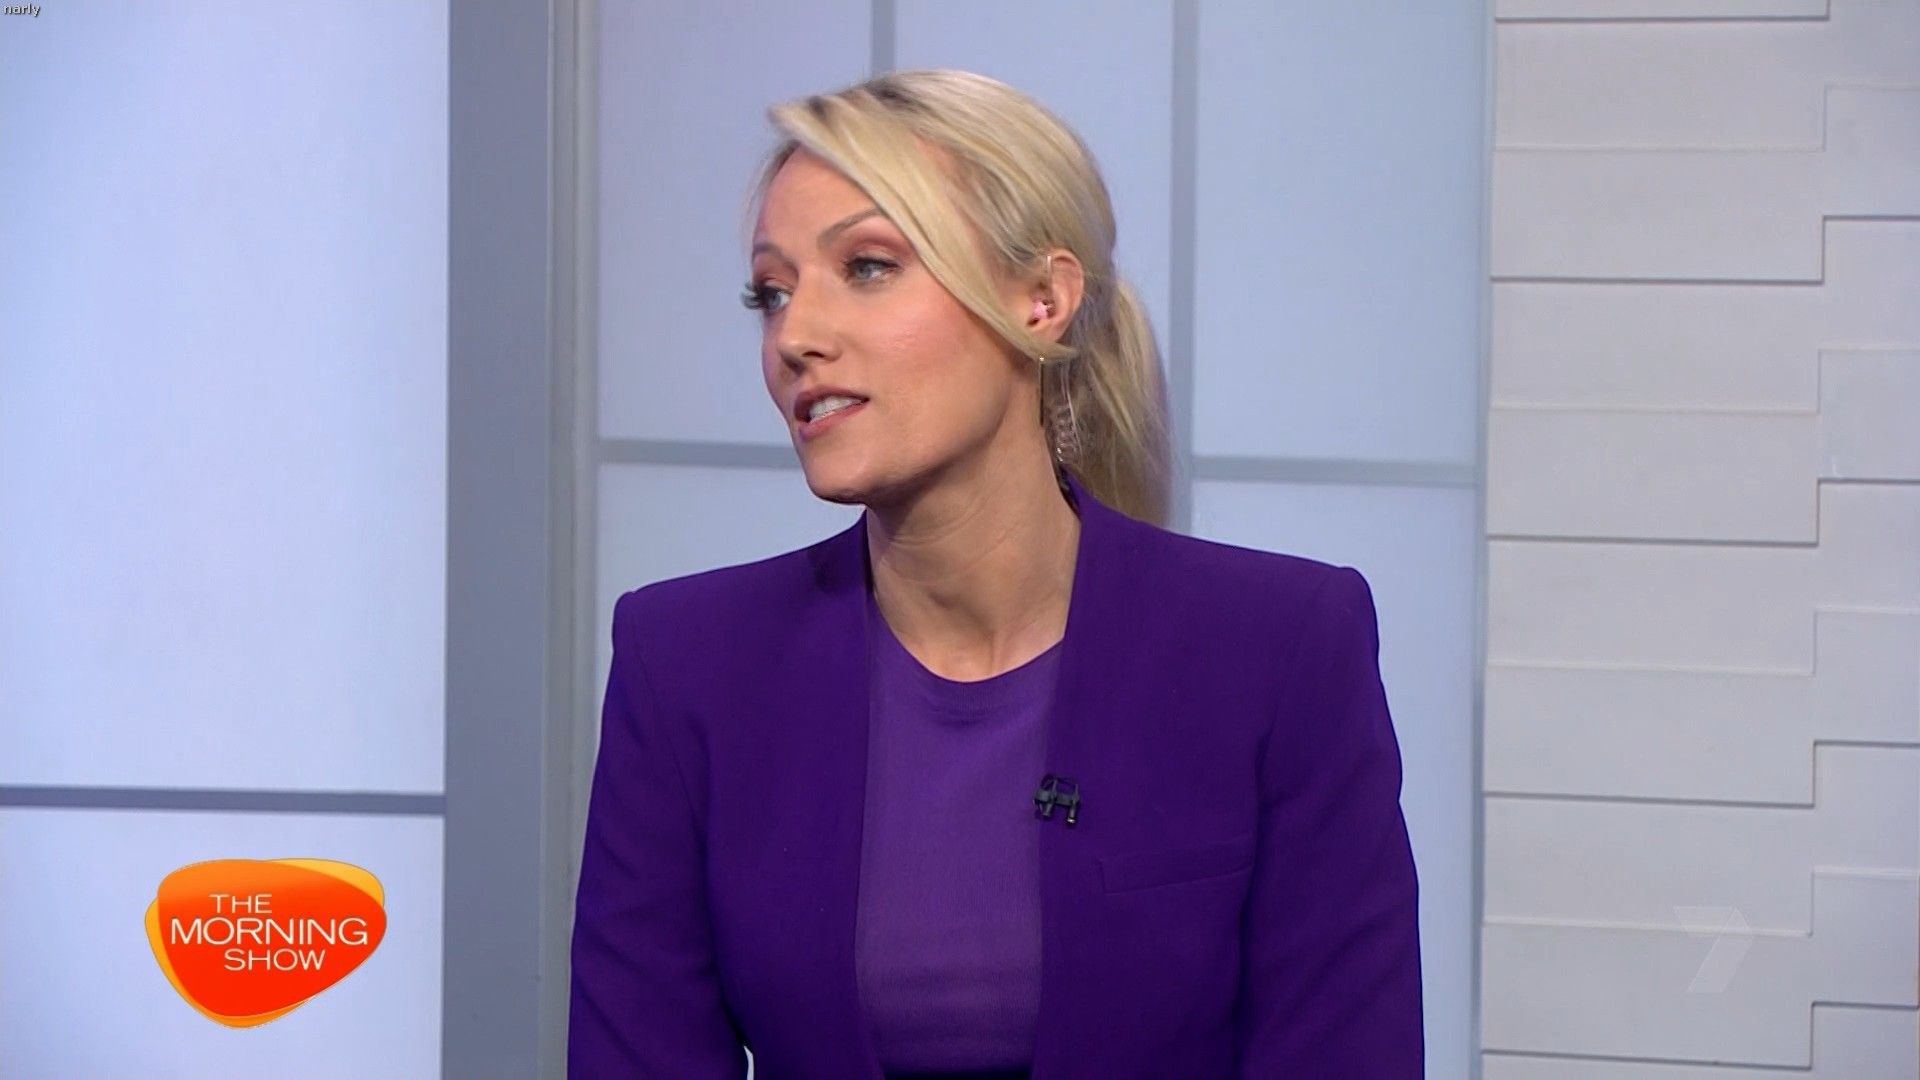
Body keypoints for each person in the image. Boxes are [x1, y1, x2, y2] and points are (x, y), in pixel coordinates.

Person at [568, 68, 1422, 1079]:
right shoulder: (688, 664)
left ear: (1042, 299)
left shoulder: (1280, 647)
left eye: (869, 267)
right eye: (772, 292)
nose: (795, 336)